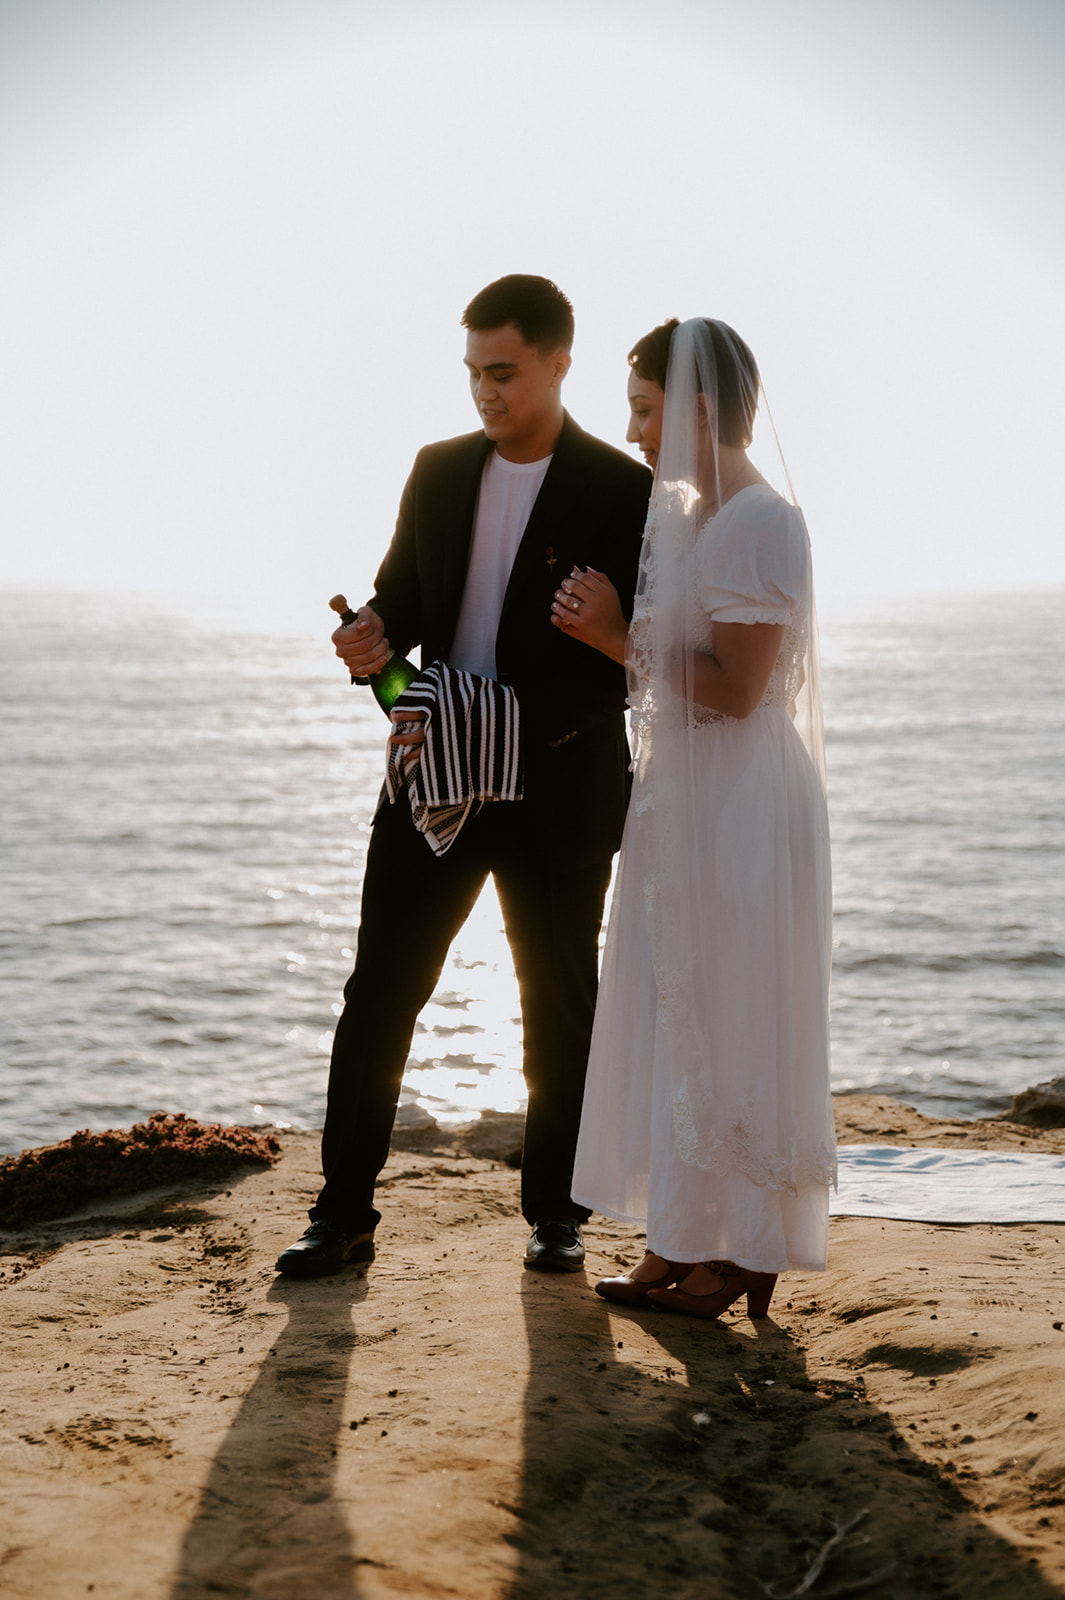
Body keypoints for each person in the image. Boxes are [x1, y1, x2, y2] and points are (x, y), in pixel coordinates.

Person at [276, 275, 651, 1279]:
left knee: (560, 1003)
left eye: (504, 371)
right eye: (473, 373)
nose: (484, 392)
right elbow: (399, 611)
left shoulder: (622, 490)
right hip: (435, 777)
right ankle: (342, 1210)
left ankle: (558, 1215)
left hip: (559, 789)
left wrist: (603, 639)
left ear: (558, 362)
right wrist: (372, 651)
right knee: (379, 993)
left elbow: (637, 656)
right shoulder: (436, 471)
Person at [551, 317, 835, 1319]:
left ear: (699, 409)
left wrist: (613, 636)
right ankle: (682, 1237)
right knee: (681, 1012)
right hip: (689, 795)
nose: (632, 432)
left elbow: (743, 686)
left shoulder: (760, 521)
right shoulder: (694, 518)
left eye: (643, 408)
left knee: (735, 1010)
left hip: (742, 800)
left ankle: (743, 1247)